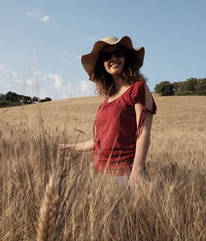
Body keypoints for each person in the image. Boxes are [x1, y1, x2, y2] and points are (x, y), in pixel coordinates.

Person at [59, 36, 156, 188]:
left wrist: (137, 170)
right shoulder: (105, 104)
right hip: (98, 173)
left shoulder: (138, 88)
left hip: (125, 173)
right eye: (107, 56)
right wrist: (70, 146)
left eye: (118, 53)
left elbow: (143, 132)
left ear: (126, 58)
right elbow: (98, 141)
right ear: (102, 64)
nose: (113, 58)